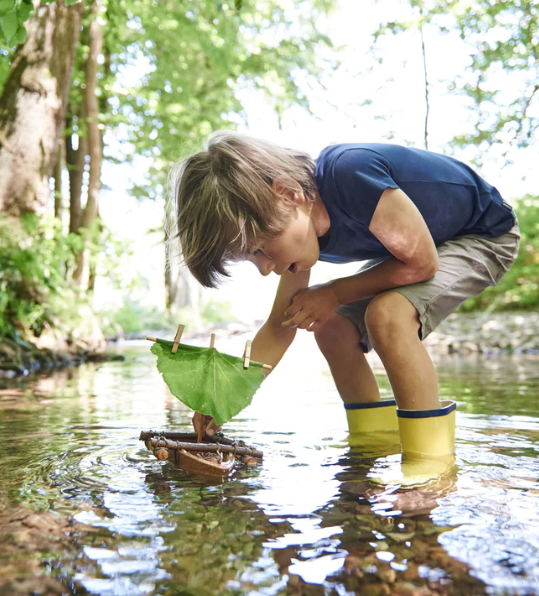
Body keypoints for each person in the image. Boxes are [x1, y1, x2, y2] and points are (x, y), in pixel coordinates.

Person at [173, 132, 519, 463]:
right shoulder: (303, 230)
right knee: (332, 326)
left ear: (288, 194)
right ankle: (374, 445)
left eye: (261, 248)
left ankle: (430, 461)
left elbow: (422, 263)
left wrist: (335, 292)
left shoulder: (350, 173)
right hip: (420, 248)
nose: (265, 269)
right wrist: (226, 393)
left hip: (484, 235)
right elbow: (282, 326)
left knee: (388, 315)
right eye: (251, 258)